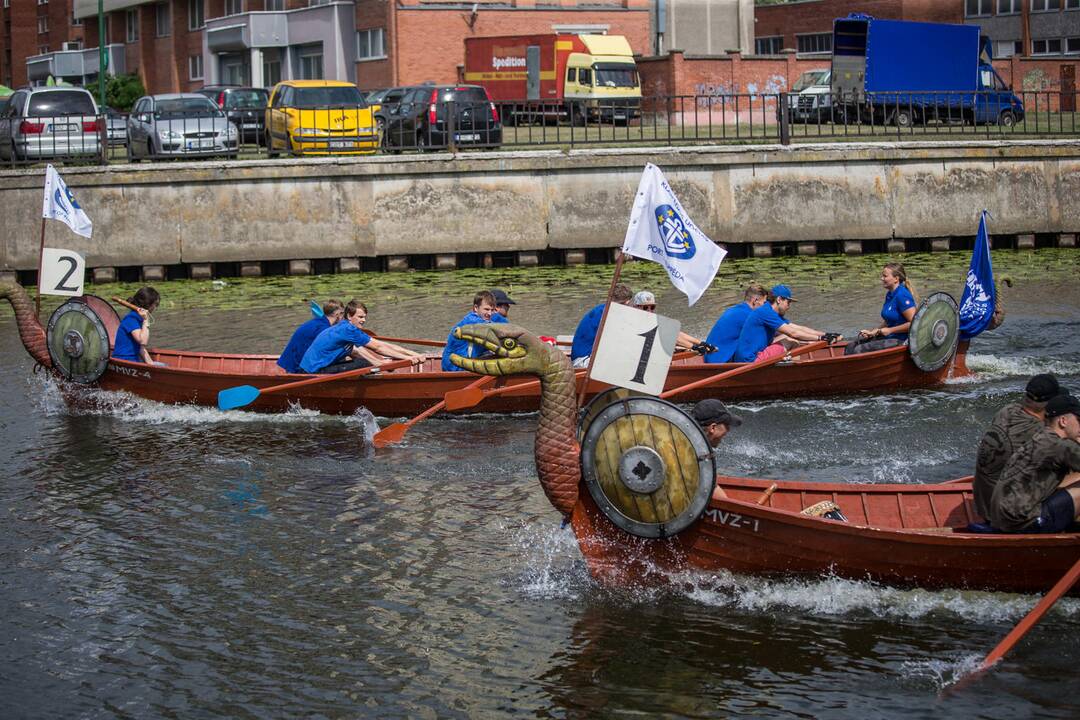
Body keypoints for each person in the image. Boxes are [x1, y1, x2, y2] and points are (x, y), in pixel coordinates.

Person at [988, 393, 1080, 533]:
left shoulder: (1040, 436)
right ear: (1063, 421)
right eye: (1079, 420)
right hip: (1025, 523)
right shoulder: (1061, 446)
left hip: (1001, 520)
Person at [973, 373, 1061, 520]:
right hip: (1006, 516)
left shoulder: (1007, 411)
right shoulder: (1040, 432)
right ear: (1050, 404)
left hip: (983, 504)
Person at [300, 300, 424, 374]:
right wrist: (406, 359)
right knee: (364, 364)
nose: (364, 320)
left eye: (364, 317)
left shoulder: (342, 327)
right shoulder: (347, 329)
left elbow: (363, 349)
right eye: (360, 317)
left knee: (363, 361)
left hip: (308, 369)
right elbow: (378, 348)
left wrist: (412, 354)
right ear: (349, 316)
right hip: (314, 372)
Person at [733, 285, 838, 363]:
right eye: (788, 302)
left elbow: (797, 328)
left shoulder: (770, 312)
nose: (789, 306)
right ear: (779, 299)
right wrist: (819, 339)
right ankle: (795, 374)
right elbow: (793, 333)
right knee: (792, 341)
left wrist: (825, 334)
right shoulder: (765, 312)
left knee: (788, 338)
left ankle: (788, 364)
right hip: (750, 360)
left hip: (751, 355)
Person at [845, 262, 918, 356]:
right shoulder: (890, 294)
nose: (882, 278)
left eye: (885, 276)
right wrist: (873, 332)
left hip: (901, 340)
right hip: (889, 337)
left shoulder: (902, 296)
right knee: (851, 346)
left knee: (858, 350)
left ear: (896, 279)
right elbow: (889, 320)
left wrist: (890, 330)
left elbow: (914, 323)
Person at [570, 283, 633, 368]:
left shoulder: (602, 309)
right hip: (583, 360)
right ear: (626, 302)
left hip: (582, 357)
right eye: (626, 305)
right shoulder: (607, 314)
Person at [703, 283, 769, 363]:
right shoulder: (749, 316)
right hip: (720, 361)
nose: (765, 307)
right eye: (764, 303)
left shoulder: (734, 309)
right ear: (755, 301)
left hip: (709, 358)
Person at [277, 299, 344, 373]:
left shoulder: (317, 322)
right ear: (337, 314)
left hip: (289, 363)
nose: (343, 318)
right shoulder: (324, 329)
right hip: (297, 368)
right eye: (342, 313)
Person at [631, 290, 710, 353]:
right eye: (645, 307)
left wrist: (700, 343)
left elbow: (675, 333)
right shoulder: (632, 321)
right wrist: (694, 347)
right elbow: (669, 336)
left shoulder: (650, 321)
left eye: (652, 307)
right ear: (635, 307)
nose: (649, 311)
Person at [442, 291, 498, 371]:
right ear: (476, 308)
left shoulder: (483, 320)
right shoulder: (472, 321)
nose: (489, 313)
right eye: (486, 309)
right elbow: (495, 329)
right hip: (454, 367)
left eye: (492, 310)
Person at [112, 286, 160, 364]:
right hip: (124, 360)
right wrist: (145, 320)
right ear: (148, 304)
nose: (155, 307)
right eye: (155, 304)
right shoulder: (131, 319)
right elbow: (142, 341)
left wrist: (152, 365)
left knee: (163, 365)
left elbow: (141, 348)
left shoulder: (138, 318)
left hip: (134, 360)